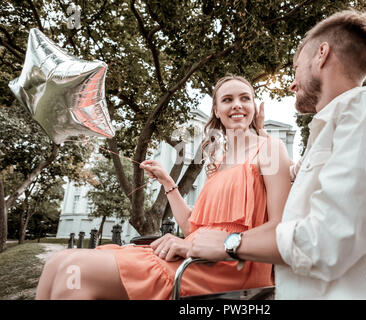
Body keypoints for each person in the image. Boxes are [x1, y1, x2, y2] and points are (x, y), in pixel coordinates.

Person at [187, 9, 366, 299]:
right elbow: (286, 185)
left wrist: (229, 243)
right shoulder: (329, 134)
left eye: (296, 67)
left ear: (321, 54)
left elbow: (327, 239)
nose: (292, 83)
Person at [35, 75, 292, 299]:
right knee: (58, 262)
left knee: (76, 272)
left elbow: (279, 230)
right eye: (227, 100)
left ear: (253, 106)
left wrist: (214, 244)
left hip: (229, 266)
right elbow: (193, 228)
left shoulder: (269, 150)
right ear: (216, 109)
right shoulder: (217, 163)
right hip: (194, 257)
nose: (237, 105)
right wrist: (168, 182)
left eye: (244, 98)